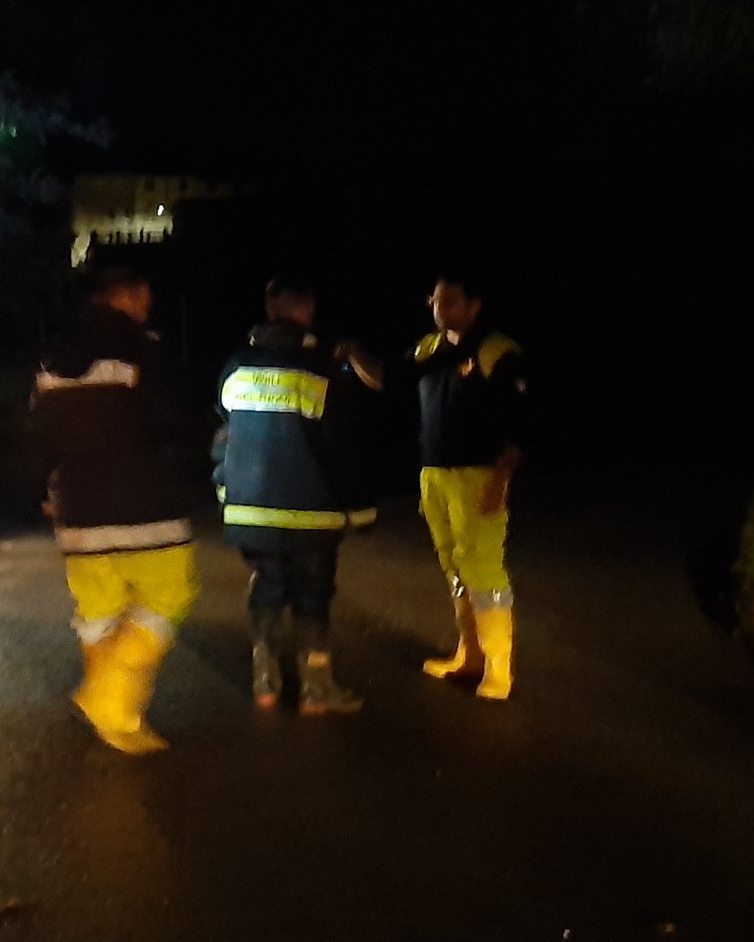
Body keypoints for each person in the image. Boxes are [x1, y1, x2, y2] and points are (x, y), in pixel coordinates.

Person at [32, 268, 199, 755]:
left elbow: (36, 437)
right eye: (144, 293)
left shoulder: (50, 357)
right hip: (145, 507)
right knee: (173, 592)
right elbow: (176, 418)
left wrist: (45, 494)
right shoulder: (143, 350)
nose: (149, 301)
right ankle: (107, 698)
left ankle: (120, 720)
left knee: (99, 609)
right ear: (125, 295)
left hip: (76, 510)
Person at [213, 276, 379, 714]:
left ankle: (264, 682)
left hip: (253, 511)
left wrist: (226, 494)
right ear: (308, 311)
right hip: (313, 515)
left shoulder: (236, 365)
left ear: (270, 309)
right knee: (313, 595)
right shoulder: (322, 367)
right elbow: (342, 446)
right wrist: (357, 509)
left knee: (266, 589)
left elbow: (224, 437)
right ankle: (315, 688)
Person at [407, 271, 528, 701]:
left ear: (474, 306)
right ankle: (469, 654)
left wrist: (501, 477)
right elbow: (390, 381)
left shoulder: (496, 352)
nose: (441, 309)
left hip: (478, 473)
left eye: (451, 301)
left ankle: (499, 667)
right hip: (434, 474)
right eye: (436, 301)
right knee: (454, 567)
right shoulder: (429, 349)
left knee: (484, 569)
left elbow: (520, 422)